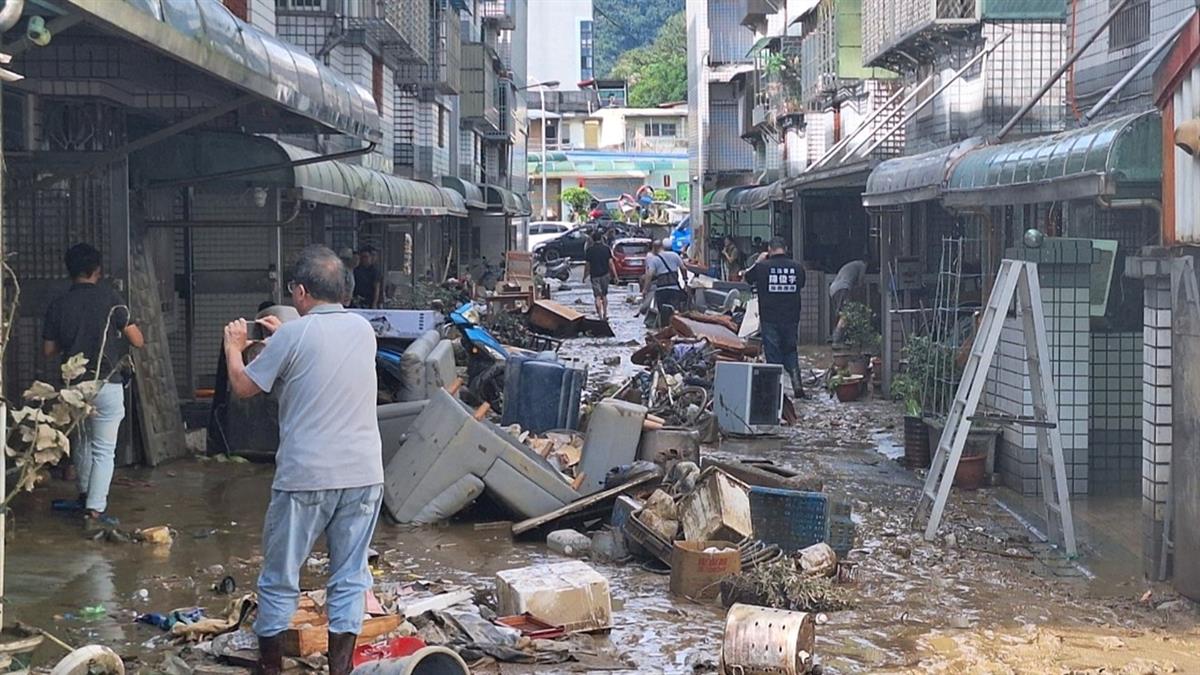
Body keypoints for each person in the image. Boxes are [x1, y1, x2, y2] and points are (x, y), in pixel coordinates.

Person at [222, 245, 383, 675]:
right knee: (349, 577)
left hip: (306, 477)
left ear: (299, 292)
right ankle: (340, 670)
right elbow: (319, 354)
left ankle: (271, 668)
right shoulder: (363, 330)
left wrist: (234, 347)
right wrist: (284, 337)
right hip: (364, 474)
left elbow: (243, 386)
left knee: (280, 577)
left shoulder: (292, 337)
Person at [43, 243, 145, 527]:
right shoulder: (111, 299)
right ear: (97, 270)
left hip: (73, 385)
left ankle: (84, 495)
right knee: (103, 449)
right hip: (106, 382)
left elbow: (48, 350)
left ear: (69, 270)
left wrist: (71, 340)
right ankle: (95, 511)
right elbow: (137, 340)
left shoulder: (59, 304)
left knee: (83, 440)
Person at [743, 237, 806, 397]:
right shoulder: (797, 267)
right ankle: (797, 384)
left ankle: (775, 392)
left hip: (769, 318)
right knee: (791, 350)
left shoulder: (762, 267)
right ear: (786, 248)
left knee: (773, 354)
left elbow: (747, 278)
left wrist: (758, 261)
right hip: (791, 318)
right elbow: (801, 284)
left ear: (769, 250)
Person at [644, 237, 690, 327]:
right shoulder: (675, 255)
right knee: (675, 310)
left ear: (655, 248)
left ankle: (664, 328)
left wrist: (645, 289)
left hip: (661, 290)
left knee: (662, 312)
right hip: (674, 289)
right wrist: (685, 281)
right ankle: (675, 327)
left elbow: (649, 275)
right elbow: (683, 268)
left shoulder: (655, 259)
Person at [829, 259, 867, 343]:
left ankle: (838, 337)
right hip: (843, 288)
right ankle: (836, 339)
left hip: (833, 289)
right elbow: (860, 282)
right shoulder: (862, 265)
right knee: (846, 314)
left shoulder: (851, 265)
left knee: (840, 313)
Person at [582, 232, 618, 320]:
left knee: (597, 296)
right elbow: (611, 263)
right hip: (605, 275)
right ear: (601, 238)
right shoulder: (606, 249)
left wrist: (584, 276)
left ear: (593, 239)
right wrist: (615, 276)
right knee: (604, 295)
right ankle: (605, 314)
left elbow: (587, 266)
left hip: (594, 276)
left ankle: (600, 316)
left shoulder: (590, 250)